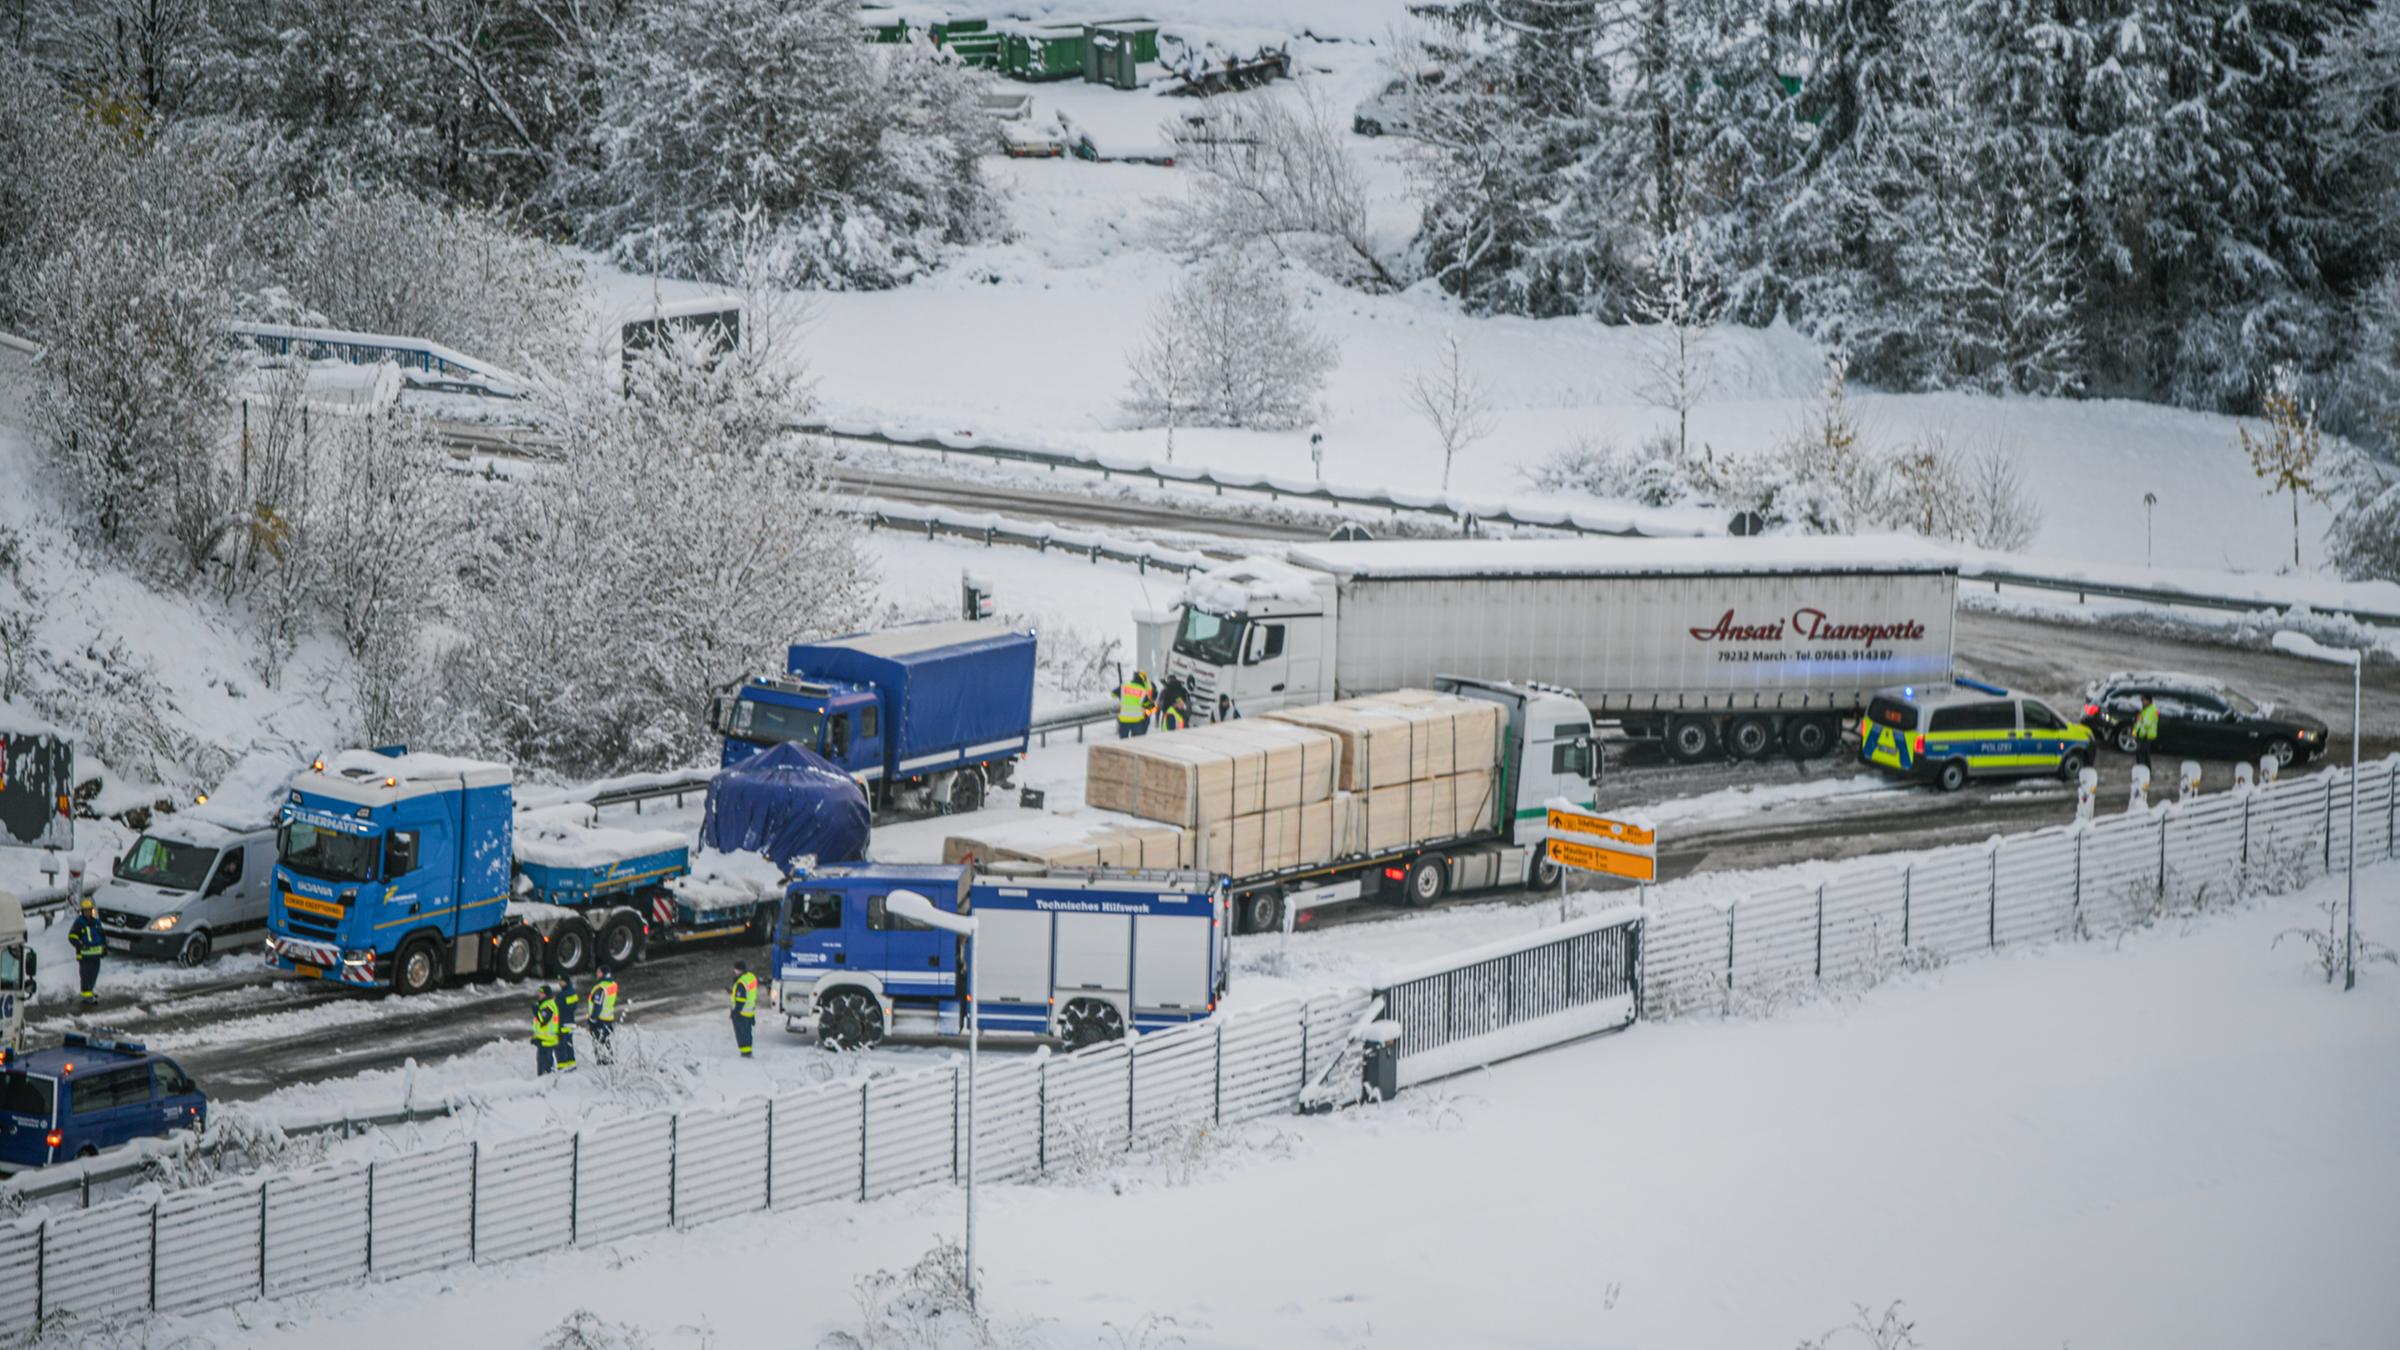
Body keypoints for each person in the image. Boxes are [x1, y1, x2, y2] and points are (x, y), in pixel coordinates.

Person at [69, 897, 104, 1003]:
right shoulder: (79, 923)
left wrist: (104, 948)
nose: (88, 912)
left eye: (89, 910)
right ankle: (86, 996)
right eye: (86, 910)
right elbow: (72, 937)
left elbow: (102, 936)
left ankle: (90, 992)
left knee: (94, 975)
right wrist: (81, 946)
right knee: (86, 976)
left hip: (96, 955)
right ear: (82, 911)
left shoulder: (96, 922)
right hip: (85, 955)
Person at [587, 964, 621, 1062]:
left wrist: (593, 1018)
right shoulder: (612, 984)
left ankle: (603, 1061)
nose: (596, 974)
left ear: (603, 973)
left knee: (599, 1041)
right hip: (608, 1017)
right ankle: (609, 1058)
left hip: (600, 1019)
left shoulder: (600, 988)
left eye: (598, 972)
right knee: (605, 1040)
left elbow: (598, 1005)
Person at [730, 960, 759, 1057]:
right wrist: (732, 992)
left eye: (735, 969)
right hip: (750, 1011)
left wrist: (735, 1012)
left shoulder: (741, 982)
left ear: (738, 970)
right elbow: (749, 993)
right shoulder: (751, 977)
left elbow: (741, 999)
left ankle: (745, 1052)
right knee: (747, 1032)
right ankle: (748, 1050)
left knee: (741, 1033)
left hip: (741, 1012)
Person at [531, 983, 562, 1076]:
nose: (539, 995)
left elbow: (542, 1019)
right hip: (544, 1041)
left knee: (544, 1066)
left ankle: (545, 1085)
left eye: (541, 993)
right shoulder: (545, 1004)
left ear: (546, 994)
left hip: (547, 1041)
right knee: (544, 1063)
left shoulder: (548, 1006)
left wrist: (535, 1010)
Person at [553, 974, 579, 1071]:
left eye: (561, 981)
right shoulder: (573, 993)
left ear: (565, 982)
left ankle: (562, 1066)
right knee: (569, 1044)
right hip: (571, 1022)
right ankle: (572, 1063)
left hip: (562, 1023)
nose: (559, 983)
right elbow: (574, 1007)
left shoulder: (561, 995)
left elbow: (556, 1009)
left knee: (561, 1046)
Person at [1117, 670, 1154, 739]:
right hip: (1141, 713)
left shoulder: (1128, 686)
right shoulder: (1147, 686)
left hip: (1138, 713)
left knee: (1125, 738)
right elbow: (1150, 701)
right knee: (1138, 736)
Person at [2132, 692, 2160, 770]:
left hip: (2146, 735)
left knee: (2143, 754)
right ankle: (2141, 769)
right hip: (2143, 735)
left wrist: (2140, 734)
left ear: (2148, 701)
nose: (2142, 701)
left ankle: (2145, 770)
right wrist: (2134, 732)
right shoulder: (2146, 709)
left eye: (2143, 700)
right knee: (2140, 753)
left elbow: (2146, 724)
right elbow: (2139, 721)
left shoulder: (2151, 710)